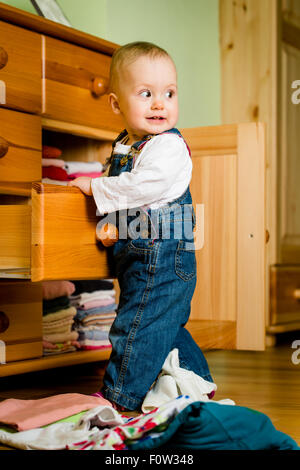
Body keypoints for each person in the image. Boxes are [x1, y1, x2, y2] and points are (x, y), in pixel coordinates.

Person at [68, 41, 213, 411]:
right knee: (164, 323)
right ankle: (198, 381)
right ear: (117, 104)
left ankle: (119, 398)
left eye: (169, 93)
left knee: (136, 323)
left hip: (164, 255)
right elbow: (125, 194)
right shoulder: (125, 145)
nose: (159, 104)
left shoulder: (167, 148)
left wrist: (96, 186)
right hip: (140, 253)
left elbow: (140, 188)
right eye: (146, 94)